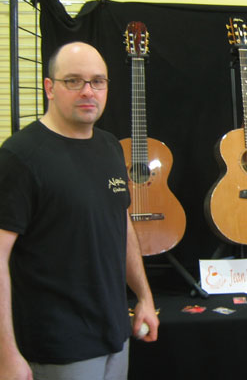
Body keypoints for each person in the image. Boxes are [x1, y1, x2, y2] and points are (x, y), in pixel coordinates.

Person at [0, 41, 159, 380]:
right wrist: (5, 353)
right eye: (73, 81)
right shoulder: (19, 157)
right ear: (49, 88)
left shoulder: (109, 146)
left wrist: (144, 296)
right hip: (59, 346)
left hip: (116, 334)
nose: (88, 91)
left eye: (97, 81)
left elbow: (121, 227)